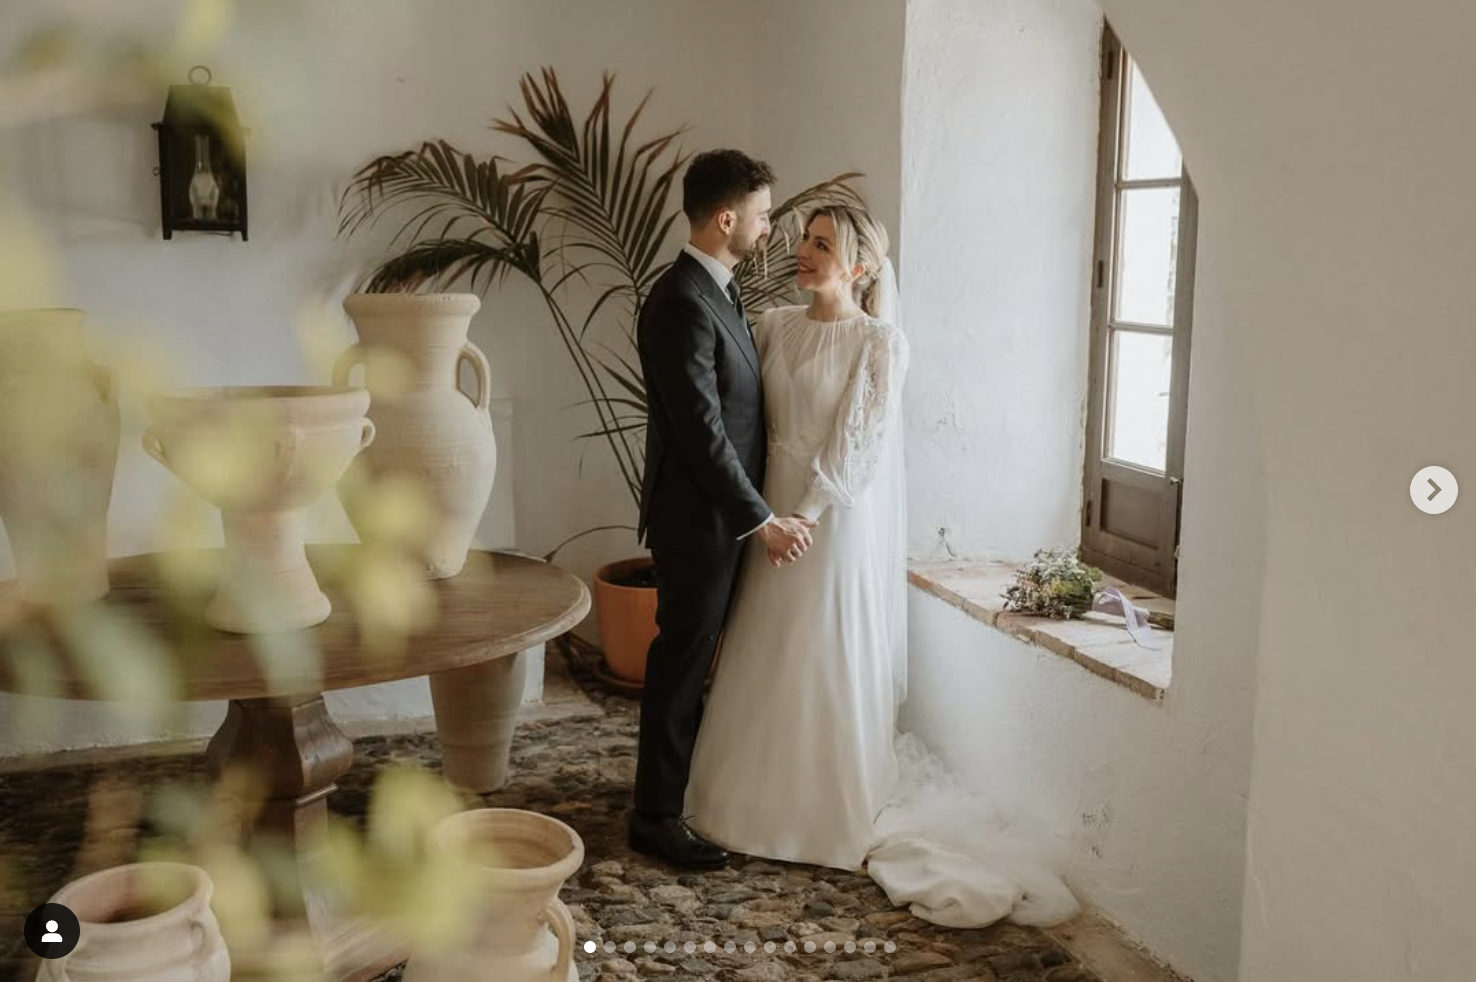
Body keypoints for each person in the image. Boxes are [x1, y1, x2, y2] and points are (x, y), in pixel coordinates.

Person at [684, 202, 1080, 928]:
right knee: (763, 648)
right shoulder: (774, 326)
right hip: (771, 513)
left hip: (829, 523)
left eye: (822, 244)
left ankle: (820, 811)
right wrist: (765, 517)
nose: (802, 250)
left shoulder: (880, 344)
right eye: (803, 237)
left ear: (860, 267)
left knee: (819, 648)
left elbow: (858, 441)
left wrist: (808, 512)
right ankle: (735, 801)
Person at [630, 149, 817, 869]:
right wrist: (759, 519)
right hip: (697, 519)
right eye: (765, 216)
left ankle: (680, 793)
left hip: (716, 515)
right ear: (727, 217)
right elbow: (701, 431)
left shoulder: (719, 289)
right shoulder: (679, 300)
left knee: (694, 659)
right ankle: (654, 818)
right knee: (680, 660)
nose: (771, 230)